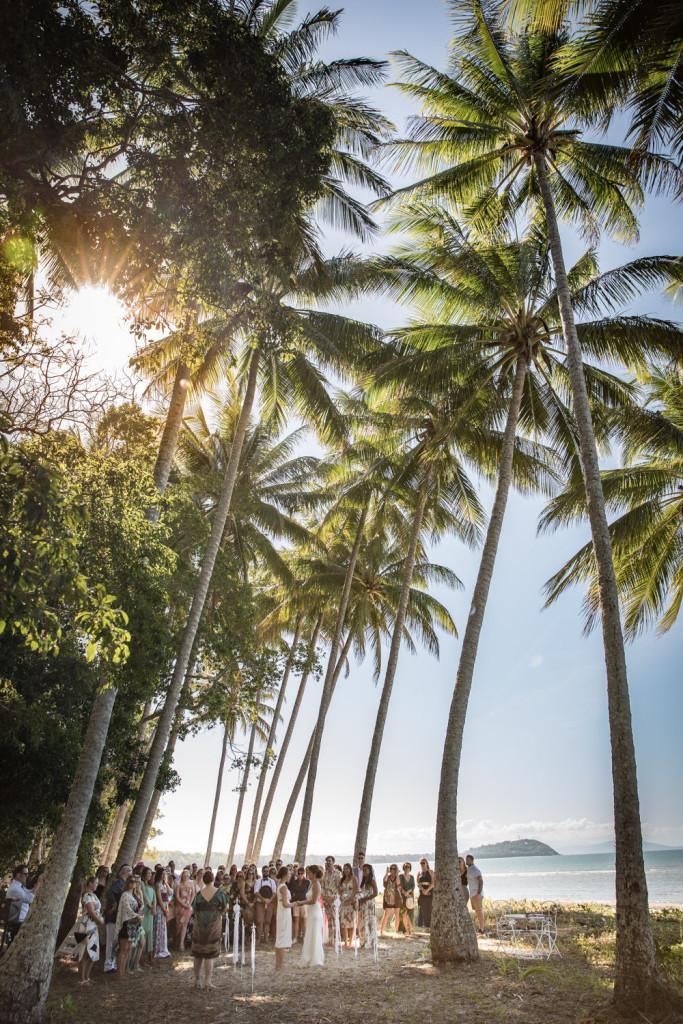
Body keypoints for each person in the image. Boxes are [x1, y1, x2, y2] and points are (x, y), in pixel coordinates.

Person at [191, 868, 228, 990]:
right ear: (213, 879)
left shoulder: (199, 894)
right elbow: (226, 906)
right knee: (209, 953)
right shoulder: (219, 892)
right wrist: (219, 911)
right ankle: (208, 981)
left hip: (200, 921)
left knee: (198, 952)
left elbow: (194, 908)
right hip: (213, 921)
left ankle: (197, 981)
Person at [74, 876, 104, 986]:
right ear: (90, 883)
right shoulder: (87, 896)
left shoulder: (94, 896)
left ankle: (87, 976)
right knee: (84, 951)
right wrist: (99, 921)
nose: (97, 885)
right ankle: (81, 979)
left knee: (93, 951)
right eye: (95, 883)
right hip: (87, 925)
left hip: (94, 926)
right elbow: (91, 911)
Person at [104, 864, 131, 972]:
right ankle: (108, 965)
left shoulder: (123, 884)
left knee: (115, 942)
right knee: (110, 941)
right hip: (112, 917)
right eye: (128, 875)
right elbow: (109, 893)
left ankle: (113, 963)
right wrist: (114, 904)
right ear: (123, 873)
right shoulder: (118, 882)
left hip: (118, 917)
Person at [115, 876, 143, 979]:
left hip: (133, 924)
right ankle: (119, 972)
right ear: (127, 883)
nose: (133, 884)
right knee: (123, 948)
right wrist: (136, 916)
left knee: (129, 948)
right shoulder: (124, 895)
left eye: (135, 882)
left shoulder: (134, 895)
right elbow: (127, 908)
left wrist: (140, 916)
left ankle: (124, 970)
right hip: (126, 923)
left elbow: (139, 908)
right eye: (131, 882)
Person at [298, 866, 324, 967]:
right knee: (310, 934)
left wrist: (301, 902)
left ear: (314, 873)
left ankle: (315, 959)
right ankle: (309, 957)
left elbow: (313, 900)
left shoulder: (316, 884)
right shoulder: (311, 884)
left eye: (309, 872)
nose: (307, 874)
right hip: (311, 911)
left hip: (315, 911)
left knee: (315, 934)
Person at [274, 866, 293, 970]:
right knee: (282, 936)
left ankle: (278, 964)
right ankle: (280, 965)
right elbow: (285, 903)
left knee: (279, 936)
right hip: (284, 912)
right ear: (285, 875)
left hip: (281, 911)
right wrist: (295, 904)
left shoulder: (279, 884)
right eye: (289, 874)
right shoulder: (283, 887)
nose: (290, 876)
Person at [6, 865, 35, 931]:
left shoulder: (19, 886)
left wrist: (37, 886)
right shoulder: (15, 888)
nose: (27, 876)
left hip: (21, 920)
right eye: (25, 874)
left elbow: (28, 892)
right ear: (18, 875)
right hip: (17, 922)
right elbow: (29, 899)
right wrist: (38, 885)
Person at [320, 855, 341, 945]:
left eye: (330, 861)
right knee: (329, 919)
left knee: (335, 918)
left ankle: (336, 939)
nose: (328, 863)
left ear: (333, 862)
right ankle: (330, 938)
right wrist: (325, 896)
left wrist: (332, 897)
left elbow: (338, 886)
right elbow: (322, 886)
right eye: (327, 861)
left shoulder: (337, 873)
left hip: (334, 899)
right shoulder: (324, 874)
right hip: (326, 899)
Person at [357, 864, 378, 949]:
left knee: (369, 921)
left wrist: (367, 898)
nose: (364, 872)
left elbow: (376, 893)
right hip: (363, 903)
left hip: (369, 903)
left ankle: (370, 941)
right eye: (363, 870)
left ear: (369, 871)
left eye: (366, 870)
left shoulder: (372, 881)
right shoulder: (363, 881)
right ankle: (363, 941)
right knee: (363, 921)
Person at [337, 863, 358, 949]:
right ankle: (345, 941)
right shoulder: (341, 880)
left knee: (352, 922)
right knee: (343, 922)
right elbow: (339, 890)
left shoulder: (354, 879)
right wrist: (342, 899)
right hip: (343, 902)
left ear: (350, 870)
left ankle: (351, 941)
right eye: (344, 869)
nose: (346, 870)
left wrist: (350, 900)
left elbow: (355, 891)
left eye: (347, 869)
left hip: (352, 902)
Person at [153, 867, 171, 958]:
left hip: (164, 906)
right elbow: (159, 898)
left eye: (165, 874)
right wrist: (164, 909)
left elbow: (169, 894)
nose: (164, 876)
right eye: (162, 874)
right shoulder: (157, 885)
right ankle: (158, 948)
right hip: (160, 908)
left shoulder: (163, 885)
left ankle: (163, 948)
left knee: (163, 927)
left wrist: (167, 908)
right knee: (159, 927)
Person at [175, 869, 195, 951]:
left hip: (188, 905)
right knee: (179, 923)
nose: (186, 877)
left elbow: (193, 894)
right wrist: (183, 904)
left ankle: (181, 943)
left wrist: (190, 903)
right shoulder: (179, 884)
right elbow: (177, 896)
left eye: (187, 876)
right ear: (182, 876)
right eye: (184, 876)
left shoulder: (191, 883)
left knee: (185, 924)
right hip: (180, 905)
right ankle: (176, 940)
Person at [254, 865, 275, 943]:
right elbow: (256, 892)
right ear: (262, 872)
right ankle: (258, 939)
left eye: (267, 871)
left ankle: (266, 938)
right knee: (260, 921)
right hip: (260, 902)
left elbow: (274, 892)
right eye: (264, 871)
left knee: (268, 921)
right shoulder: (258, 881)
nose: (266, 872)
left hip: (270, 903)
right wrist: (264, 899)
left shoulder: (271, 881)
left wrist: (269, 900)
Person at [288, 866, 309, 943]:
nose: (300, 875)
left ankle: (305, 937)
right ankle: (295, 937)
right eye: (299, 873)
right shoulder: (294, 882)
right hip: (296, 902)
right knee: (296, 920)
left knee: (304, 920)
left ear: (304, 874)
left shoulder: (307, 882)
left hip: (304, 903)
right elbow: (292, 891)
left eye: (301, 873)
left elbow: (309, 892)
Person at [140, 867, 156, 964]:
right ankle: (141, 957)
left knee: (150, 932)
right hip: (145, 909)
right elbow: (145, 896)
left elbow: (154, 897)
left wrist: (154, 907)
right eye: (148, 873)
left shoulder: (151, 885)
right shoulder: (142, 883)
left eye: (150, 873)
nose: (149, 875)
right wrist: (150, 906)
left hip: (151, 912)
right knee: (143, 931)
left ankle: (149, 954)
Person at [381, 864, 402, 936]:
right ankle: (381, 931)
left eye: (394, 869)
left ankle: (396, 931)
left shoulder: (398, 877)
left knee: (397, 914)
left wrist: (397, 874)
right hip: (388, 897)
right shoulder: (388, 876)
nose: (392, 870)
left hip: (396, 897)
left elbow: (398, 883)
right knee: (386, 914)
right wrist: (387, 872)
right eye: (391, 868)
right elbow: (384, 881)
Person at [465, 855, 484, 933]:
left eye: (468, 860)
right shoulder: (468, 869)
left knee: (479, 911)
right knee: (477, 911)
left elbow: (481, 881)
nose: (467, 862)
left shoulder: (475, 869)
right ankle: (480, 928)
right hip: (472, 893)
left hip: (477, 893)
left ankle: (482, 929)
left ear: (472, 861)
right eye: (466, 860)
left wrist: (479, 893)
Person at [399, 862, 415, 936]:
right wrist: (404, 893)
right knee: (404, 913)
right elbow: (399, 886)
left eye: (408, 866)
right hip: (403, 896)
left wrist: (408, 893)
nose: (407, 868)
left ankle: (410, 930)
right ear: (403, 867)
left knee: (410, 914)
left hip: (410, 896)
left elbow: (413, 886)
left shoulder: (412, 877)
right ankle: (405, 929)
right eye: (405, 866)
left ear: (410, 868)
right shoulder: (401, 876)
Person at [417, 858, 434, 930]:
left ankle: (430, 926)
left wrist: (427, 890)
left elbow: (433, 882)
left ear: (426, 863)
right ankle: (425, 926)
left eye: (423, 863)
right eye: (421, 863)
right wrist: (423, 890)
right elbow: (418, 883)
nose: (422, 865)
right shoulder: (419, 873)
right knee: (423, 910)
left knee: (430, 909)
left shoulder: (431, 872)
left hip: (429, 892)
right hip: (422, 892)